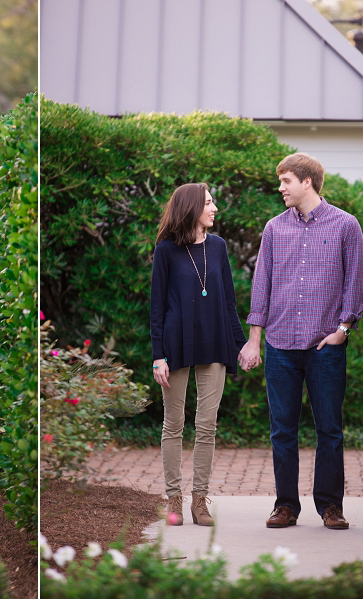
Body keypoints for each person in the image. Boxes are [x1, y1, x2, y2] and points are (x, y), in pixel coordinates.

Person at [239, 152, 363, 531]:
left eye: (286, 181)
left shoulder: (346, 225)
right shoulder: (274, 229)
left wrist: (343, 330)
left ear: (307, 182)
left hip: (325, 347)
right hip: (280, 344)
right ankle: (286, 507)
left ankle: (330, 507)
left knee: (329, 428)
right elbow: (261, 285)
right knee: (282, 430)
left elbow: (353, 284)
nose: (280, 188)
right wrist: (254, 341)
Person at [150, 183, 247, 526]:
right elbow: (157, 309)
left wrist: (242, 344)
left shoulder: (218, 247)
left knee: (207, 425)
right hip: (175, 345)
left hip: (215, 342)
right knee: (173, 424)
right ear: (191, 208)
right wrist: (157, 356)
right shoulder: (165, 251)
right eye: (208, 202)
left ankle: (199, 501)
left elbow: (229, 302)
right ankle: (173, 498)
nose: (215, 208)